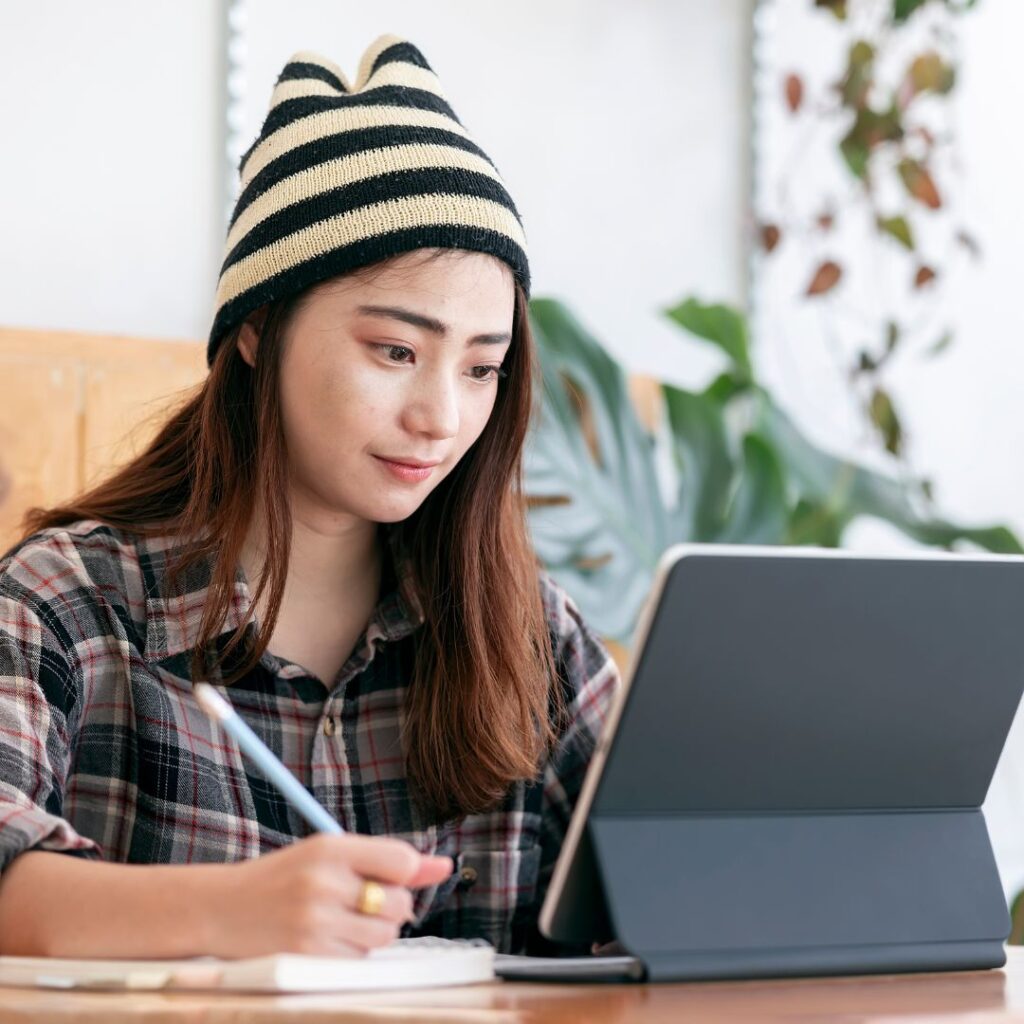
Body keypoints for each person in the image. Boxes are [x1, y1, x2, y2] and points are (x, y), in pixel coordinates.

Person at [0, 34, 620, 959]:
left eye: (483, 368)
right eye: (396, 352)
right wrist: (227, 914)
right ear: (256, 328)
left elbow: (676, 896)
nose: (442, 417)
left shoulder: (534, 640)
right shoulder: (68, 606)